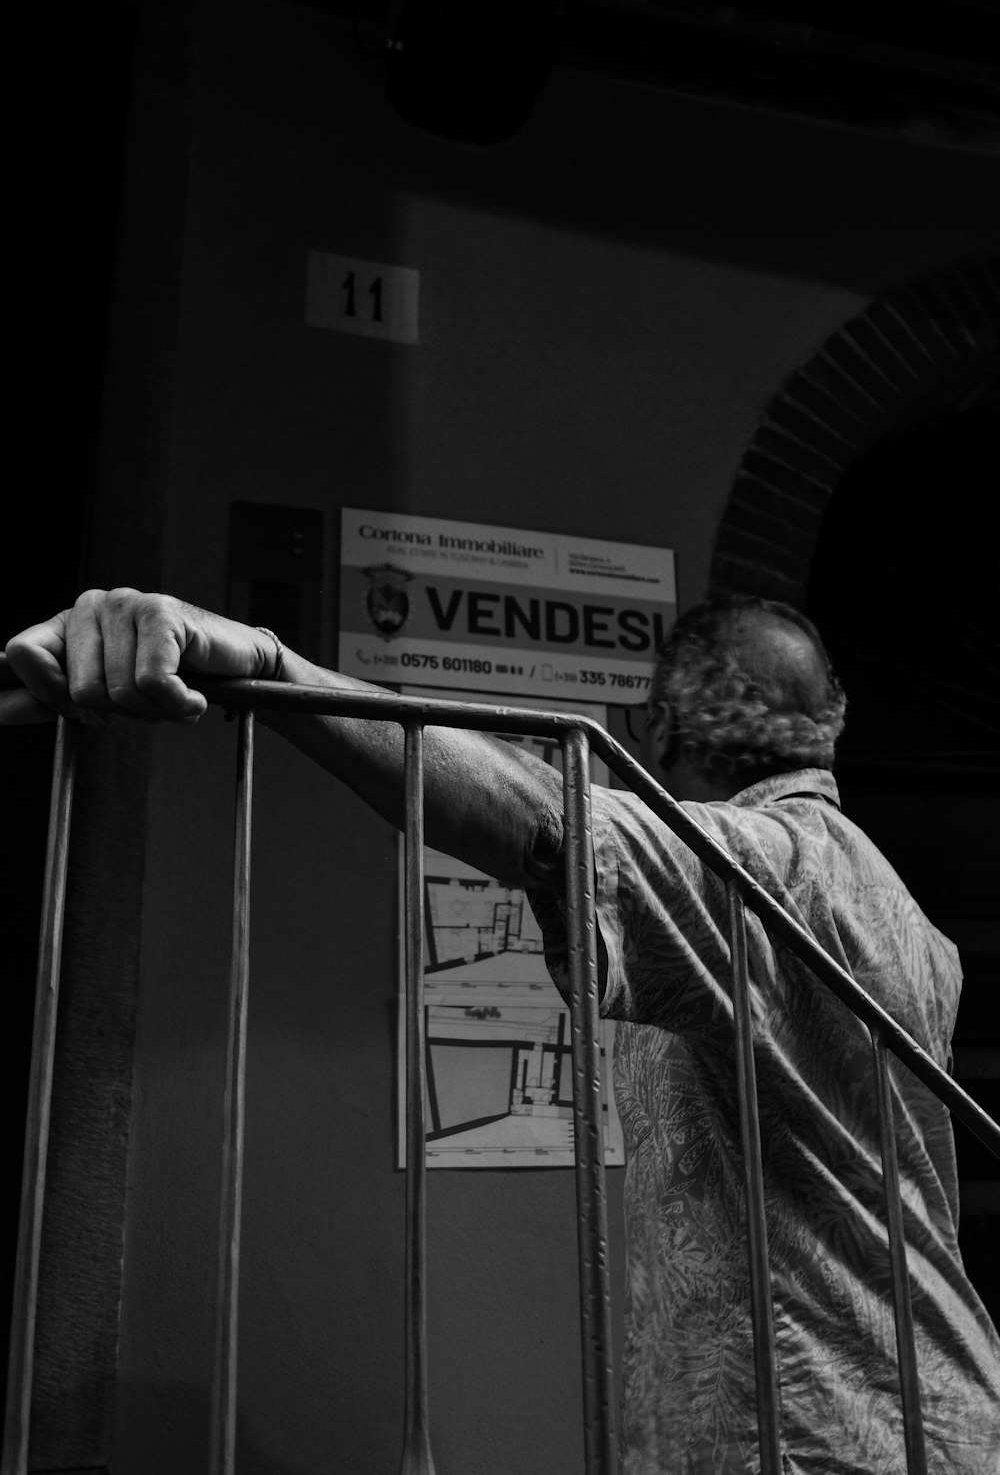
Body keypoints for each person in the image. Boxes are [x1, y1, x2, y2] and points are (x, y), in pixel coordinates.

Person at [3, 587, 999, 1473]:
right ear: (821, 730)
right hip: (930, 1411)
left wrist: (265, 664)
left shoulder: (759, 871)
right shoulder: (896, 909)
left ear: (660, 735)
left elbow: (542, 816)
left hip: (825, 1435)